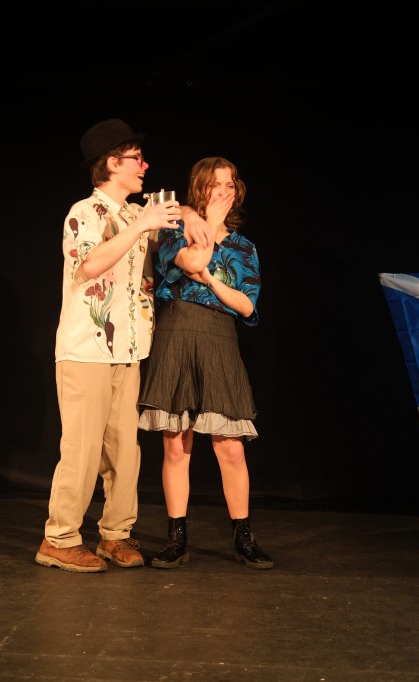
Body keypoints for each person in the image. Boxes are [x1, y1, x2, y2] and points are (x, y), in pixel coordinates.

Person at [35, 118, 211, 573]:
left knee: (124, 451)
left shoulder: (135, 214)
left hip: (128, 350)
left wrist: (188, 214)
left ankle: (115, 534)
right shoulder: (85, 213)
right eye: (137, 159)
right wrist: (142, 225)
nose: (145, 166)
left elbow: (175, 220)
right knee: (82, 449)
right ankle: (59, 538)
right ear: (112, 163)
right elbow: (89, 265)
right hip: (86, 350)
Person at [138, 156, 273, 570]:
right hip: (178, 333)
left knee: (230, 447)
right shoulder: (175, 232)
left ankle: (243, 537)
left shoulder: (244, 248)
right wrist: (207, 225)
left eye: (231, 184)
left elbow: (247, 305)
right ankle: (176, 537)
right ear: (200, 187)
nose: (225, 191)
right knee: (176, 443)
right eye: (217, 184)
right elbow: (192, 262)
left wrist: (213, 280)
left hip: (219, 339)